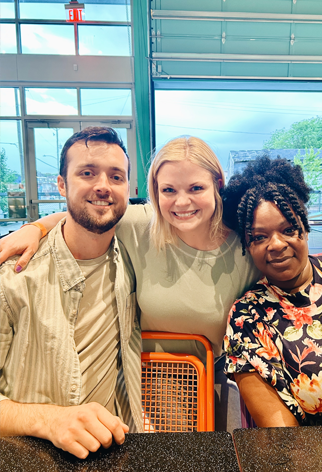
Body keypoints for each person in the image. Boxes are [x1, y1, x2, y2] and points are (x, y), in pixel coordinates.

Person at [0, 136, 260, 432]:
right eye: (168, 190)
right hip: (149, 377)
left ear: (218, 183)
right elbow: (87, 214)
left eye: (196, 188)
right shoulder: (144, 225)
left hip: (211, 380)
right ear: (155, 191)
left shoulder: (245, 249)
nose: (182, 201)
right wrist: (34, 228)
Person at [0, 127, 143, 459]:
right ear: (62, 184)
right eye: (87, 173)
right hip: (26, 456)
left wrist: (38, 224)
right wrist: (51, 421)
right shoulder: (13, 276)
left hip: (111, 450)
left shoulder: (134, 254)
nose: (103, 186)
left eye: (116, 176)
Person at [221, 155, 322, 427]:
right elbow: (284, 438)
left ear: (304, 229)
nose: (277, 244)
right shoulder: (248, 318)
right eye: (259, 237)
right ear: (247, 246)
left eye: (288, 229)